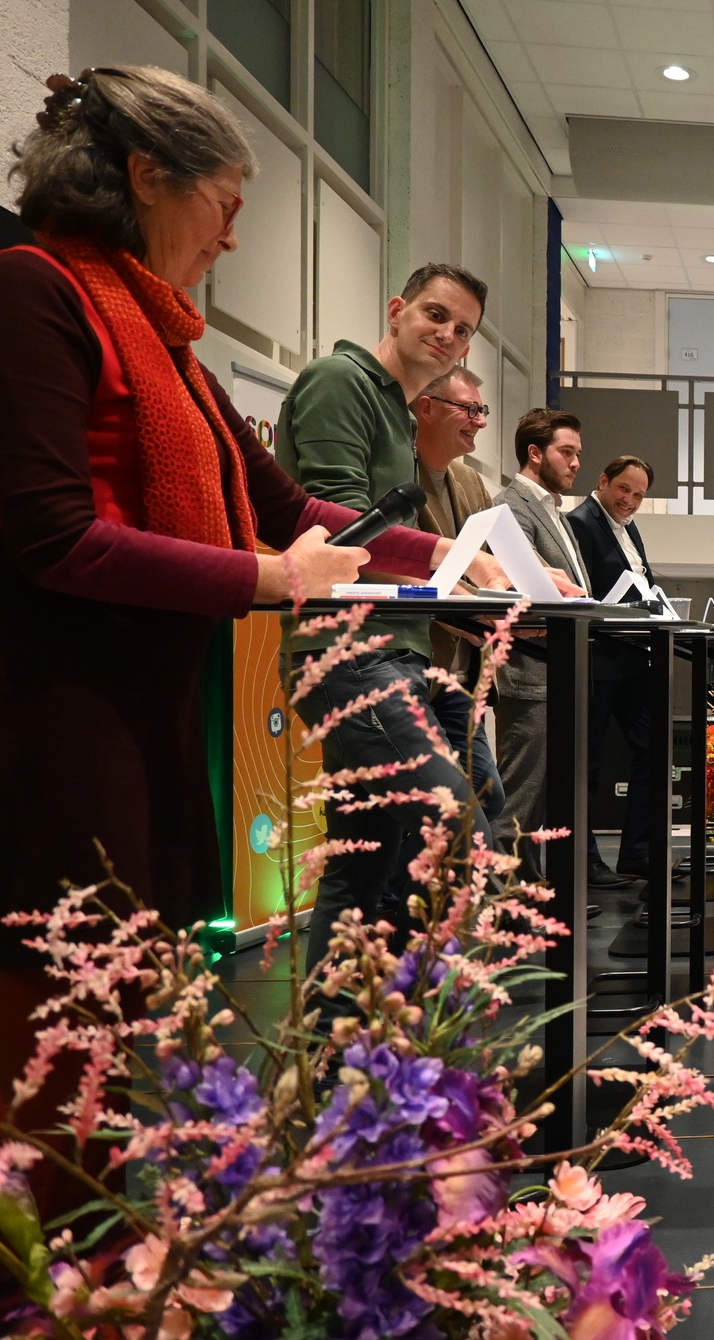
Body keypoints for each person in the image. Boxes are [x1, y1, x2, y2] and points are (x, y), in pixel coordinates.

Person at [0, 65, 432, 1212]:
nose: (232, 239)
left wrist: (453, 557)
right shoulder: (32, 290)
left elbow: (288, 506)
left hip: (149, 703)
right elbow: (56, 538)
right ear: (147, 176)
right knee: (53, 1015)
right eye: (224, 207)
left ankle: (98, 1258)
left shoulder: (168, 339)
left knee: (128, 1010)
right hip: (52, 709)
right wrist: (271, 580)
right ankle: (33, 1269)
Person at [280, 261, 517, 973]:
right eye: (436, 315)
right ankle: (422, 1007)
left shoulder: (397, 410)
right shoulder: (340, 382)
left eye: (463, 329)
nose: (448, 334)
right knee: (458, 828)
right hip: (351, 653)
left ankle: (347, 1029)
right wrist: (458, 567)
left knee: (365, 867)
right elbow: (341, 529)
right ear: (396, 310)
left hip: (406, 656)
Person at [492, 407, 599, 883]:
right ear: (535, 453)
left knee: (539, 802)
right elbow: (526, 586)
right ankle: (502, 900)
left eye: (578, 453)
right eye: (566, 452)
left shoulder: (552, 510)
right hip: (531, 671)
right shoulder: (511, 507)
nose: (576, 463)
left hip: (558, 671)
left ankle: (529, 892)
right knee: (519, 798)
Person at [410, 364, 504, 826]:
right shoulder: (396, 470)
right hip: (412, 665)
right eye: (469, 409)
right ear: (426, 408)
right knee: (448, 812)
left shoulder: (469, 481)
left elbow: (491, 559)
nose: (480, 421)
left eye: (482, 410)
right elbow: (395, 564)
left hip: (462, 676)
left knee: (488, 796)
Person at [568, 454, 661, 880]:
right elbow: (579, 590)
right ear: (603, 481)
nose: (630, 500)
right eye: (624, 489)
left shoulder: (630, 527)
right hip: (596, 656)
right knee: (586, 762)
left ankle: (637, 852)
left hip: (632, 655)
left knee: (654, 747)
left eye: (639, 495)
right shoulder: (580, 523)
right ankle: (583, 860)